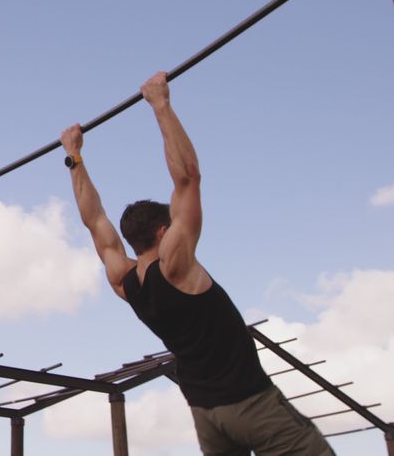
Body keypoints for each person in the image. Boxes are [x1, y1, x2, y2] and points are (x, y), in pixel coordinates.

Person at [60, 71, 333, 455]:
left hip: (207, 415)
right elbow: (187, 178)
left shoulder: (125, 281)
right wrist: (160, 104)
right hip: (252, 404)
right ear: (162, 231)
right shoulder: (175, 266)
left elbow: (94, 221)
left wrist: (74, 156)